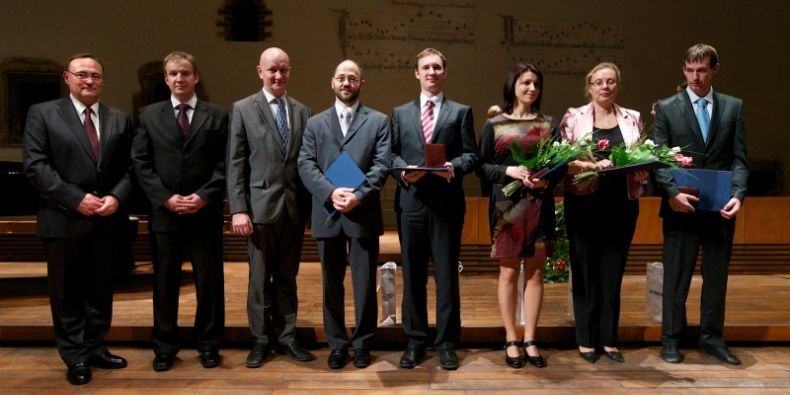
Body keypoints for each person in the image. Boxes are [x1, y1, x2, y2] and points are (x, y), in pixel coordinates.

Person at [22, 53, 133, 385]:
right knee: (67, 291)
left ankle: (96, 345)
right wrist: (76, 198)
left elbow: (132, 168)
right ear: (66, 78)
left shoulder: (120, 118)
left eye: (96, 75)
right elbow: (36, 165)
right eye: (82, 74)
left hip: (106, 218)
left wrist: (116, 197)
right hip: (62, 217)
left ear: (103, 80)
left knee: (101, 289)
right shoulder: (43, 114)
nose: (89, 80)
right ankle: (75, 355)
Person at [132, 51, 227, 371]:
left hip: (205, 213)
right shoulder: (149, 115)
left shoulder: (217, 115)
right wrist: (164, 197)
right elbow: (141, 163)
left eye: (185, 73)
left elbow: (225, 164)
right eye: (173, 74)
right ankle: (165, 346)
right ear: (166, 78)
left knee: (209, 282)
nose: (179, 79)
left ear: (196, 77)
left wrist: (203, 196)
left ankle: (210, 344)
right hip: (166, 214)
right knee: (165, 282)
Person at [653, 43, 748, 365]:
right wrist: (670, 193)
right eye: (690, 71)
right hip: (681, 206)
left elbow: (739, 159)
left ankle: (712, 339)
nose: (695, 77)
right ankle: (671, 340)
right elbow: (659, 159)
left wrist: (738, 194)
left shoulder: (733, 107)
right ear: (684, 69)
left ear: (714, 69)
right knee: (676, 278)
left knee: (716, 277)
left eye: (702, 71)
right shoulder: (667, 108)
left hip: (720, 206)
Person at [298, 60, 390, 369]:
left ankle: (363, 343)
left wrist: (358, 195)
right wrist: (329, 192)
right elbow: (306, 164)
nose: (346, 82)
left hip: (362, 213)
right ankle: (337, 344)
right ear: (332, 82)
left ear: (362, 83)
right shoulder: (315, 123)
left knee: (364, 284)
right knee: (330, 284)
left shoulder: (378, 121)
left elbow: (382, 164)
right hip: (327, 212)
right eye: (341, 78)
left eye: (352, 78)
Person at [226, 47, 315, 367]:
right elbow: (235, 162)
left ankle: (287, 337)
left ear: (290, 72)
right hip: (259, 210)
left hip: (293, 210)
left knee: (288, 278)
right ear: (259, 71)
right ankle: (261, 339)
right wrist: (238, 208)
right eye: (272, 70)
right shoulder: (242, 109)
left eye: (284, 70)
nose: (278, 75)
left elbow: (307, 163)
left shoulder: (303, 110)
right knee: (259, 279)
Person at [390, 48, 478, 370]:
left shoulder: (461, 112)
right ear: (416, 73)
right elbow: (391, 154)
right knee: (412, 277)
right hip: (411, 203)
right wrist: (401, 171)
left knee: (446, 277)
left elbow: (472, 155)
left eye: (437, 67)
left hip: (446, 206)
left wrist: (453, 166)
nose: (431, 72)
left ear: (444, 72)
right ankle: (414, 341)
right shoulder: (400, 113)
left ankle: (446, 343)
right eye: (426, 67)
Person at [559, 62, 648, 364]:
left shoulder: (632, 118)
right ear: (590, 86)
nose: (605, 86)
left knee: (612, 271)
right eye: (599, 82)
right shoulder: (574, 117)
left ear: (617, 85)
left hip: (621, 204)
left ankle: (609, 338)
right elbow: (563, 160)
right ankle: (585, 338)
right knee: (584, 270)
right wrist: (590, 166)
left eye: (610, 81)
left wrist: (642, 172)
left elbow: (642, 158)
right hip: (583, 203)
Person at [477, 63, 561, 369]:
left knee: (537, 273)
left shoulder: (549, 123)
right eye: (526, 83)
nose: (531, 89)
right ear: (513, 85)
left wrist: (547, 179)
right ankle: (512, 338)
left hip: (540, 203)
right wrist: (507, 170)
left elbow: (560, 164)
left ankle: (531, 338)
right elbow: (481, 165)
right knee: (509, 273)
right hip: (507, 207)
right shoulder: (495, 124)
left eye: (536, 84)